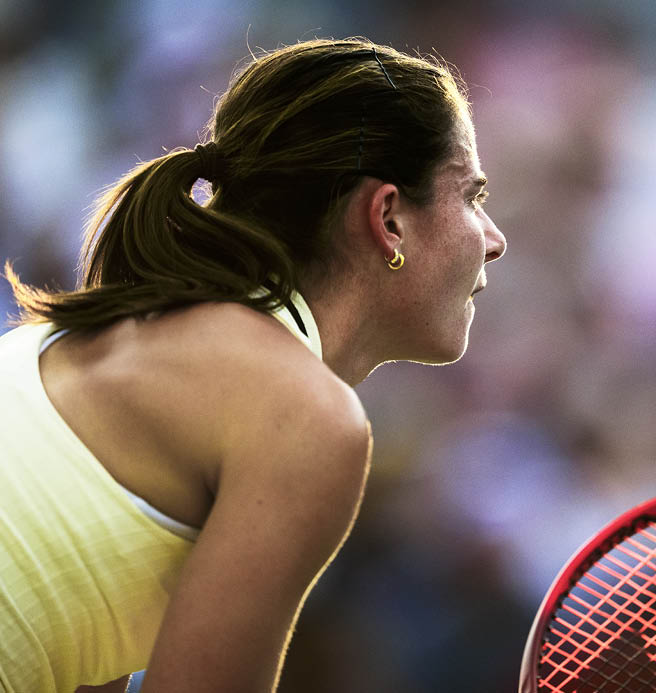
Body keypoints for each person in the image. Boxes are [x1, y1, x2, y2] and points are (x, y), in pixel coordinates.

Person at [0, 37, 506, 693]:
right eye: (472, 196)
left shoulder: (134, 326)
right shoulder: (309, 419)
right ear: (388, 218)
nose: (493, 240)